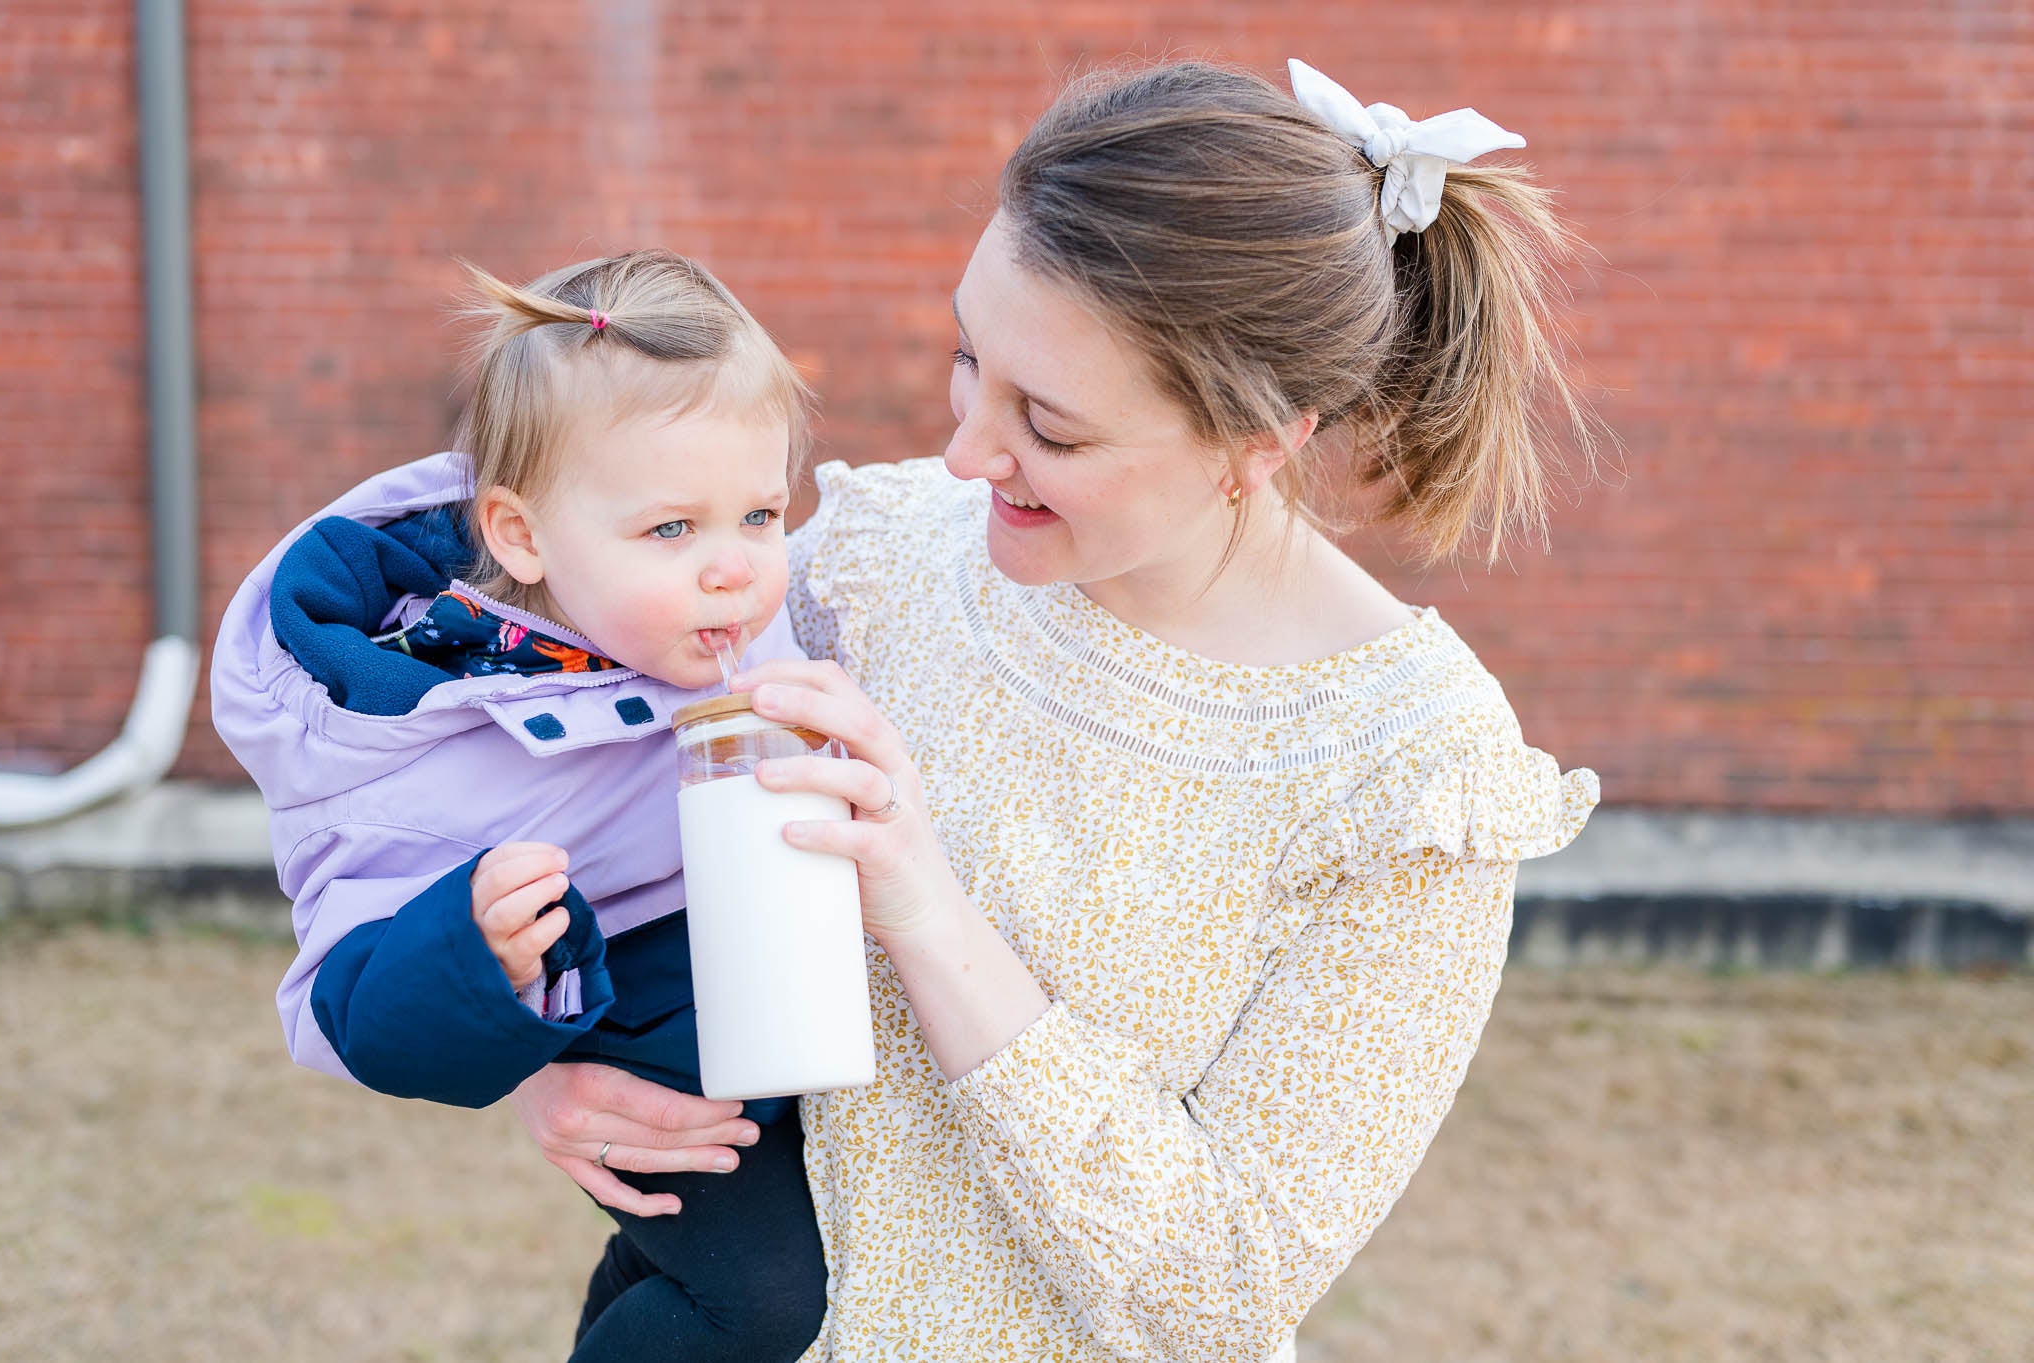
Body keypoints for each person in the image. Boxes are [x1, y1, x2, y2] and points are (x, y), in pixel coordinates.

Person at [517, 56, 1601, 1360]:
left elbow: (1217, 1288)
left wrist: (924, 906)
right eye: (970, 355)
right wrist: (546, 1047)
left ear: (1260, 440)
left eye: (1054, 425)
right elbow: (570, 757)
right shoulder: (886, 552)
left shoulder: (1412, 774)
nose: (968, 447)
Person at [209, 250, 830, 1363]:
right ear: (523, 537)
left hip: (783, 1020)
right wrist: (473, 947)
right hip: (660, 1077)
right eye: (672, 530)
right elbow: (349, 1002)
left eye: (759, 512)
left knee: (695, 1274)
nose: (734, 567)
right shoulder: (431, 729)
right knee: (769, 1304)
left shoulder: (738, 625)